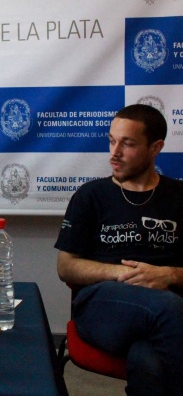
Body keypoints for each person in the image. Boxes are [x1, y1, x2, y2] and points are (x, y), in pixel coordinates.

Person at [55, 104, 183, 396]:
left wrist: (170, 275)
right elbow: (66, 266)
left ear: (156, 147)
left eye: (128, 144)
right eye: (112, 140)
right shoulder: (91, 195)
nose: (114, 152)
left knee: (146, 361)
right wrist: (122, 273)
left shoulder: (179, 197)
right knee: (168, 308)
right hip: (105, 306)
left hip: (169, 310)